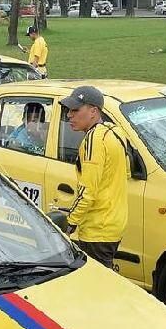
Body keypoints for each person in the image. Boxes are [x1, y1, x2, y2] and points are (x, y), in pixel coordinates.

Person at [60, 85, 129, 268]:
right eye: (69, 110)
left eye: (75, 110)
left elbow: (87, 191)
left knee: (95, 287)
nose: (69, 115)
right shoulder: (114, 132)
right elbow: (125, 173)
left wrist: (70, 222)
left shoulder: (93, 140)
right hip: (114, 224)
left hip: (97, 229)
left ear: (93, 111)